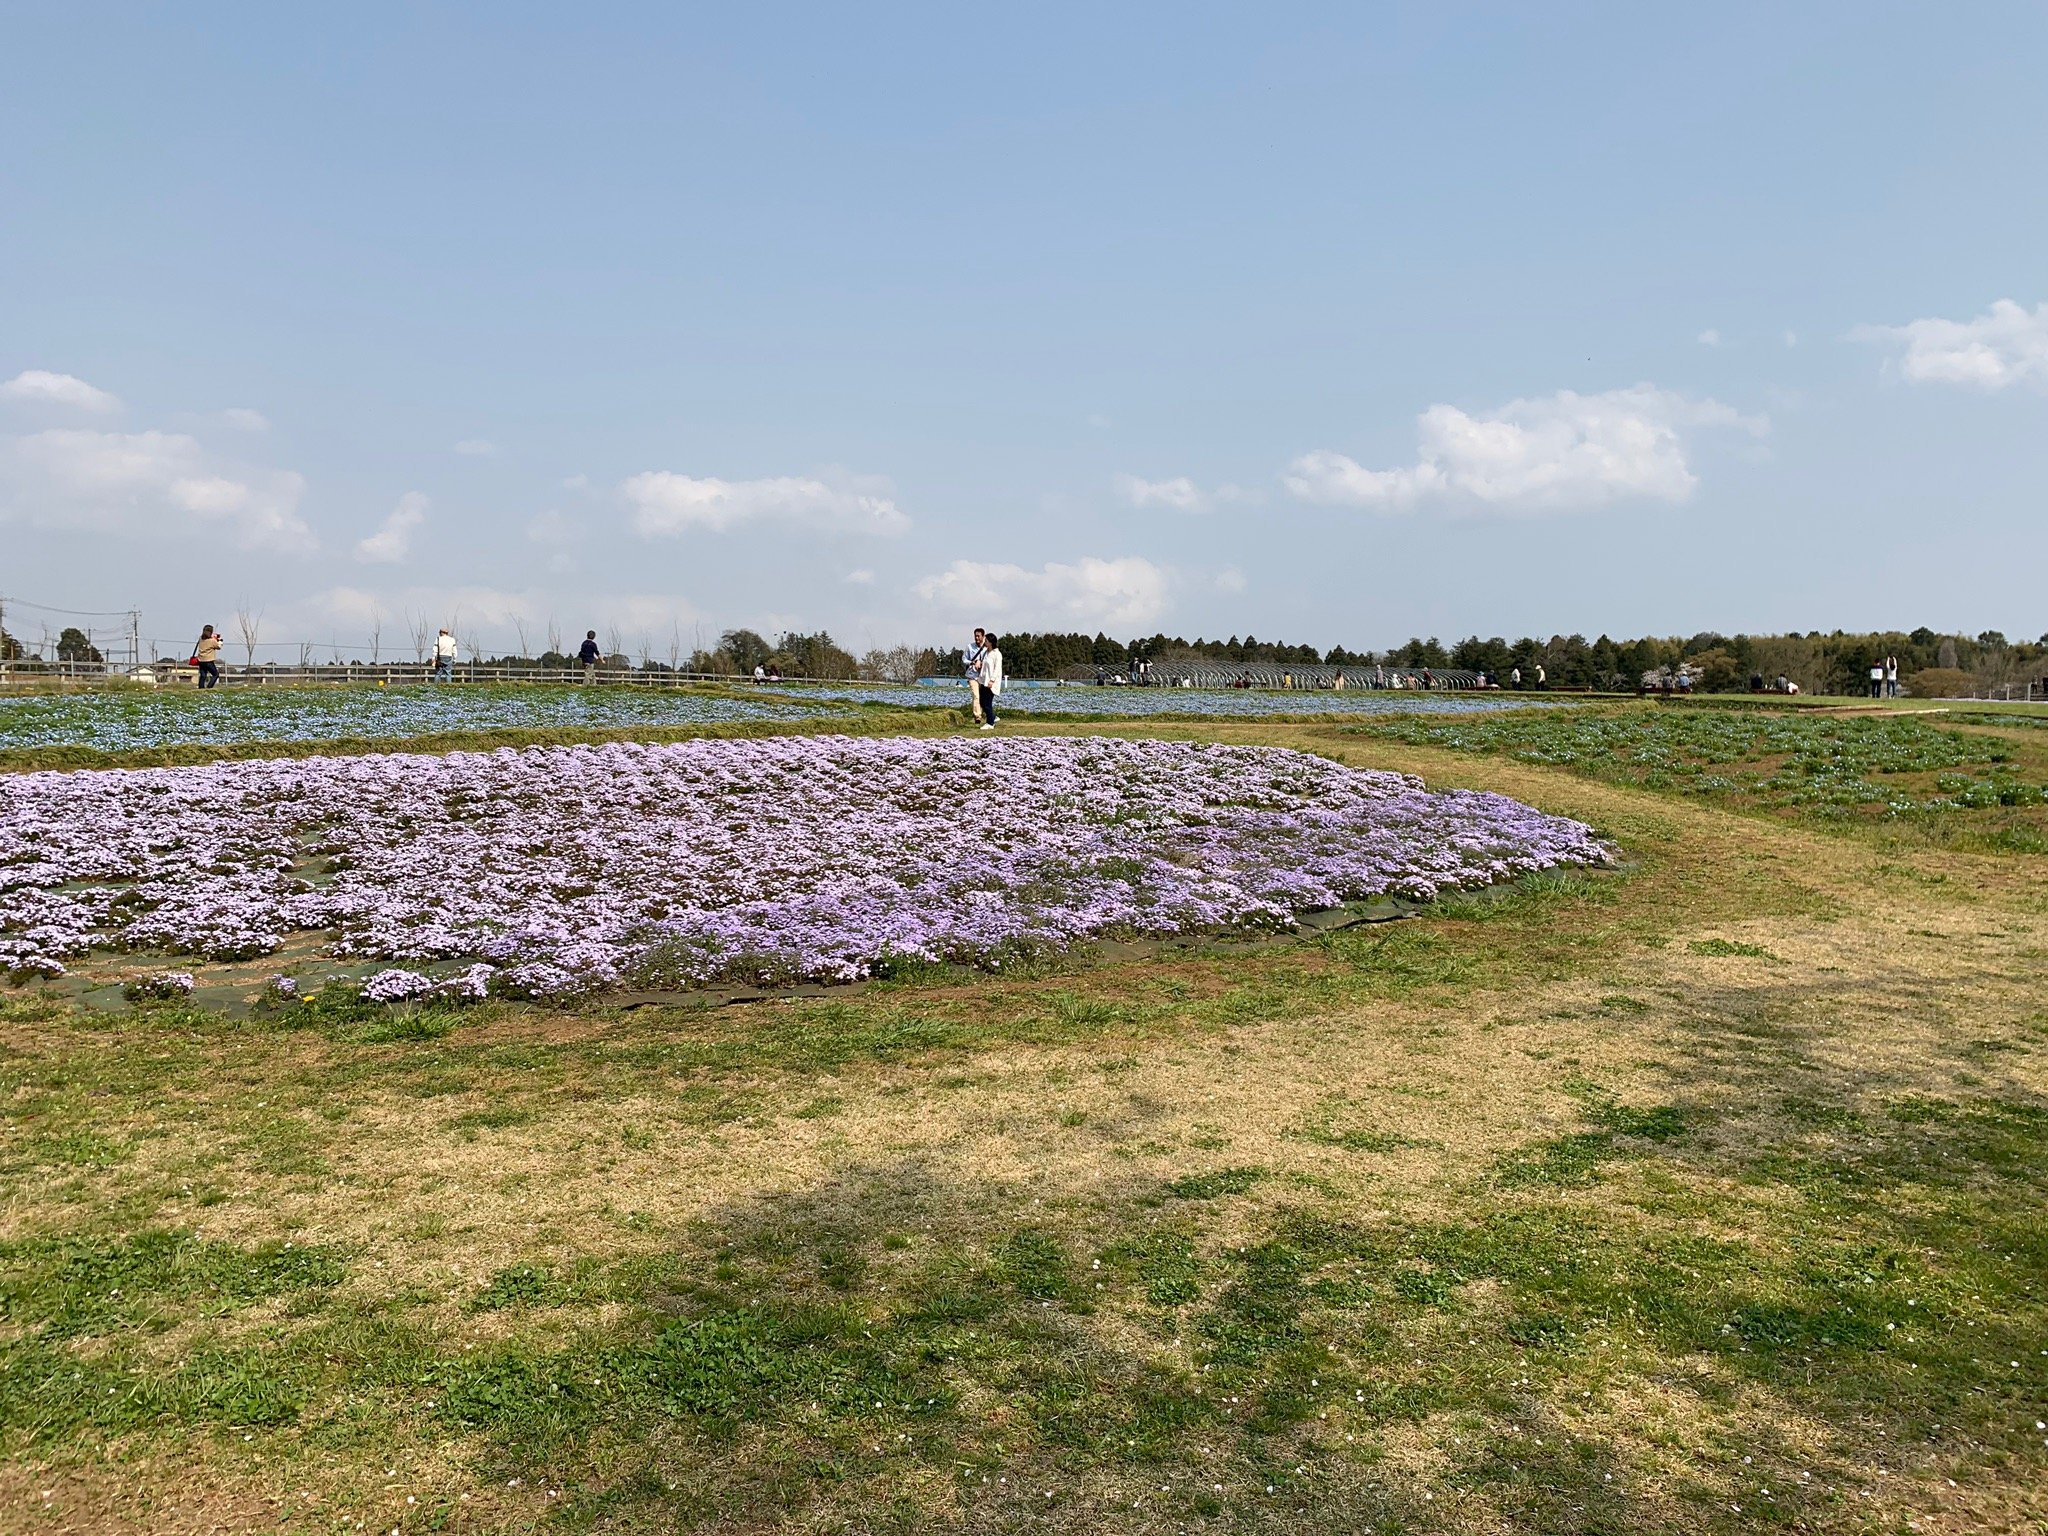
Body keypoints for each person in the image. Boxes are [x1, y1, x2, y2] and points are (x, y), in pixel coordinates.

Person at [976, 629, 1004, 729]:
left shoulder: (997, 654)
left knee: (987, 702)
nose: (985, 642)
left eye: (986, 641)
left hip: (990, 681)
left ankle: (990, 723)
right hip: (983, 680)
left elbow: (997, 669)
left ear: (991, 642)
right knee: (982, 702)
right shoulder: (985, 652)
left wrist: (992, 680)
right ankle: (992, 717)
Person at [965, 628, 987, 723]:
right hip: (972, 675)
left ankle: (984, 713)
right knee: (976, 695)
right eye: (975, 636)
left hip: (983, 676)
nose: (976, 638)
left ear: (983, 636)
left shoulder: (987, 648)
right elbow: (964, 659)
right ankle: (977, 716)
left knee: (983, 697)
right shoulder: (969, 647)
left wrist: (981, 663)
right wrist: (972, 662)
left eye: (978, 636)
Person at [193, 624, 223, 689]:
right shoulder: (212, 641)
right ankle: (209, 687)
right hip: (208, 661)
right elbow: (218, 647)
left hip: (201, 660)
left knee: (203, 675)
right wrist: (220, 640)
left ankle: (201, 688)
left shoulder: (201, 639)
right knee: (215, 674)